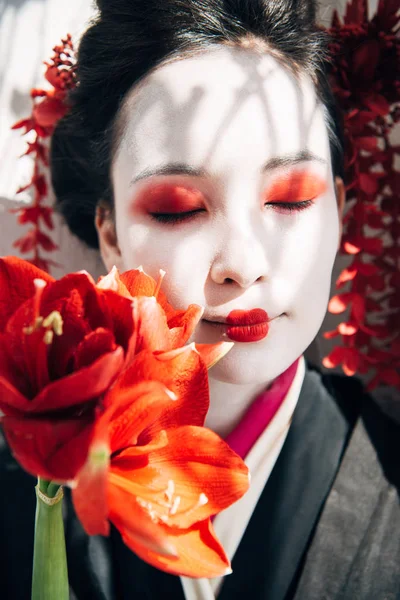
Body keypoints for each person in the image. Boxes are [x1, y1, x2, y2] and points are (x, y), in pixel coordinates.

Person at [1, 1, 399, 598]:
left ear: (339, 210)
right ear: (109, 234)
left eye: (290, 199)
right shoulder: (22, 484)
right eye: (178, 208)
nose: (242, 265)